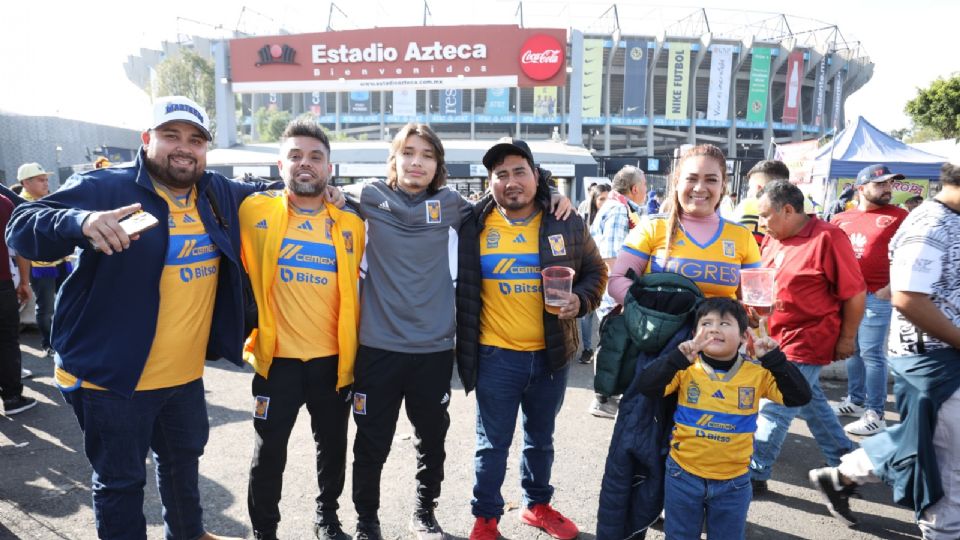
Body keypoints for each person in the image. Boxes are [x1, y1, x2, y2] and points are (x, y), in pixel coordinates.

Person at [5, 96, 279, 540]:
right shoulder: (105, 186)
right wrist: (82, 222)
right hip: (111, 380)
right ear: (147, 139)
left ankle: (188, 535)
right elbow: (22, 224)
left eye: (195, 139)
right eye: (171, 135)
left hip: (185, 377)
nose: (184, 147)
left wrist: (336, 191)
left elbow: (276, 195)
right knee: (120, 483)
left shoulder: (215, 192)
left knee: (181, 464)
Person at [456, 138, 606, 540]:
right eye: (500, 174)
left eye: (519, 171)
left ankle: (536, 505)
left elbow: (597, 271)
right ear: (490, 183)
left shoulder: (564, 220)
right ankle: (485, 518)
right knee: (492, 445)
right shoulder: (472, 224)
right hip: (495, 356)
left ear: (536, 176)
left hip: (550, 356)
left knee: (541, 439)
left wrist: (581, 299)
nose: (510, 181)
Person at [808, 159, 960, 536]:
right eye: (882, 183)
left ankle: (842, 475)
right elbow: (908, 296)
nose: (888, 188)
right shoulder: (930, 224)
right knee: (946, 462)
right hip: (931, 356)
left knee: (921, 437)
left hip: (939, 349)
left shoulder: (918, 218)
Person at [240, 120, 365, 540]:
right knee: (268, 452)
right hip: (277, 362)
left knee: (332, 449)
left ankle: (326, 517)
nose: (304, 164)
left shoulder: (351, 224)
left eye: (314, 157)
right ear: (280, 165)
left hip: (333, 362)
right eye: (295, 156)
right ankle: (265, 531)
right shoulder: (253, 210)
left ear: (330, 168)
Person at [636, 298, 810, 539]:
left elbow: (799, 396)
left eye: (725, 323)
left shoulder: (756, 373)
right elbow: (647, 387)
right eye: (706, 323)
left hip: (735, 482)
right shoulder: (686, 368)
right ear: (695, 333)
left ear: (743, 337)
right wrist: (676, 358)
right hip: (683, 475)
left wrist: (774, 360)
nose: (715, 328)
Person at [749, 180, 865, 495]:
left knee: (777, 403)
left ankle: (754, 472)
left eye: (765, 216)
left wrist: (847, 338)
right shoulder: (773, 239)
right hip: (774, 338)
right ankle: (847, 459)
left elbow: (855, 293)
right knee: (811, 402)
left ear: (788, 210)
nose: (761, 224)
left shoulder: (828, 238)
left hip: (807, 339)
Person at [608, 144, 761, 304]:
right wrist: (657, 308)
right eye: (691, 178)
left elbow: (754, 297)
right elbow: (617, 281)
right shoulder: (652, 227)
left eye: (711, 180)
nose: (700, 188)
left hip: (717, 329)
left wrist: (745, 314)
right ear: (676, 182)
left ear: (723, 186)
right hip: (660, 328)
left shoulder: (742, 236)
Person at [830, 165, 909, 436]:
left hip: (877, 294)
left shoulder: (900, 216)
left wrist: (891, 286)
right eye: (880, 184)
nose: (888, 189)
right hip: (848, 295)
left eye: (890, 184)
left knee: (872, 353)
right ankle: (855, 400)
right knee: (851, 349)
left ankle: (875, 413)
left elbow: (911, 254)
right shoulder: (841, 219)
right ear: (861, 188)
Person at [587, 165, 646, 418]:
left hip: (614, 294)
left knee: (614, 344)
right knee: (614, 346)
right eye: (644, 186)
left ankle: (607, 397)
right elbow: (612, 258)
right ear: (634, 189)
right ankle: (603, 400)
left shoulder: (615, 207)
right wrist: (625, 296)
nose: (646, 191)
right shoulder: (619, 210)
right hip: (616, 297)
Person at [16, 162, 73, 357]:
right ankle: (49, 344)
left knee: (69, 300)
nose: (45, 183)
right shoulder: (21, 204)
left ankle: (67, 339)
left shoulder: (48, 199)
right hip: (41, 266)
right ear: (26, 183)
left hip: (62, 261)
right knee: (47, 307)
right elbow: (20, 247)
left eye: (46, 179)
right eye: (41, 180)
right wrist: (24, 281)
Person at [0, 191, 36, 416]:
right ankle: (13, 398)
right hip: (2, 283)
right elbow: (20, 246)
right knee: (6, 342)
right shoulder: (4, 202)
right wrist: (24, 282)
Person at [577, 182, 611, 365]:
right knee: (586, 315)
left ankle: (603, 349)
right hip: (588, 271)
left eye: (608, 198)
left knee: (603, 314)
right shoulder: (585, 220)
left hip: (607, 271)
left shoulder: (617, 216)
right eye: (601, 199)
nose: (605, 202)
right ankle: (587, 348)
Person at [735, 160, 791, 245]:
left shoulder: (747, 206)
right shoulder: (806, 208)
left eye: (749, 188)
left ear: (759, 189)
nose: (749, 192)